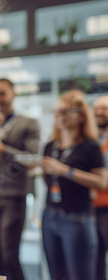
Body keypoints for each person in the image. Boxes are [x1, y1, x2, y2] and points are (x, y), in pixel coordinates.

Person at [0, 78, 40, 280]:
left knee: (9, 256)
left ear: (13, 94)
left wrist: (3, 149)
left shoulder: (28, 123)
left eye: (2, 93)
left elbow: (31, 160)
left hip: (13, 198)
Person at [41, 90, 106, 280]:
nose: (61, 115)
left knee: (80, 276)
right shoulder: (51, 146)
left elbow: (101, 182)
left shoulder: (90, 146)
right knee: (57, 275)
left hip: (77, 218)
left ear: (81, 115)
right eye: (58, 111)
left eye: (67, 111)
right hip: (50, 214)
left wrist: (64, 170)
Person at [91, 96, 108, 280]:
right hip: (91, 209)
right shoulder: (91, 140)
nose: (99, 112)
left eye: (104, 108)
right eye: (96, 108)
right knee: (95, 263)